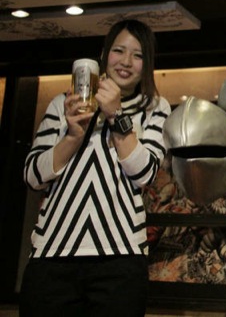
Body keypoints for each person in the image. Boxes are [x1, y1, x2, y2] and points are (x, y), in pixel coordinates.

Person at [20, 19, 170, 317]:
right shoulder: (62, 104)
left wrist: (116, 116)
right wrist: (73, 136)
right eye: (119, 51)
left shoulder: (154, 107)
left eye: (138, 55)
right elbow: (33, 176)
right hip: (53, 253)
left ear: (147, 64)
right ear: (104, 54)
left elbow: (145, 174)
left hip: (121, 256)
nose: (126, 61)